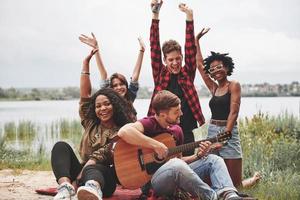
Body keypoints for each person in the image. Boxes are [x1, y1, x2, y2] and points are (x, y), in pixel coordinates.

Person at [118, 90, 255, 200]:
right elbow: (124, 131)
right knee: (176, 166)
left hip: (175, 173)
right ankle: (213, 197)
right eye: (176, 112)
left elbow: (179, 160)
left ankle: (229, 195)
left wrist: (197, 156)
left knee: (213, 160)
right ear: (163, 115)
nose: (181, 114)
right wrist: (155, 145)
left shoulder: (177, 130)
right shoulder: (150, 123)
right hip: (155, 182)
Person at [51, 49, 133, 200]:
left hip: (104, 177)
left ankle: (91, 189)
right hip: (82, 171)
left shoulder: (123, 130)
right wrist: (85, 64)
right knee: (60, 146)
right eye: (98, 106)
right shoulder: (90, 123)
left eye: (107, 104)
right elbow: (85, 94)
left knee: (95, 168)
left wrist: (86, 170)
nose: (102, 109)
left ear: (115, 106)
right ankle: (65, 188)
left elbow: (105, 153)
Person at [195, 29, 261, 188]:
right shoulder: (213, 88)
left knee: (235, 186)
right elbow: (199, 65)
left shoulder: (234, 85)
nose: (216, 70)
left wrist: (224, 137)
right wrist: (196, 41)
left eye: (219, 67)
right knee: (212, 181)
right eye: (213, 69)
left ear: (226, 67)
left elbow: (234, 113)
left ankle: (253, 180)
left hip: (229, 132)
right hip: (212, 131)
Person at [147, 0, 205, 156]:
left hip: (186, 130)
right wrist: (155, 14)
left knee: (187, 165)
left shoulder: (187, 73)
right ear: (165, 60)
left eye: (178, 58)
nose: (175, 63)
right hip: (162, 129)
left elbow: (190, 48)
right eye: (171, 60)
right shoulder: (160, 74)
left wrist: (189, 17)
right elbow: (154, 45)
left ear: (182, 58)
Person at [79, 33, 146, 120]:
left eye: (122, 84)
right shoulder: (108, 98)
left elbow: (135, 75)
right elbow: (103, 74)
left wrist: (142, 51)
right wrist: (96, 49)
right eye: (115, 85)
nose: (119, 87)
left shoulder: (129, 96)